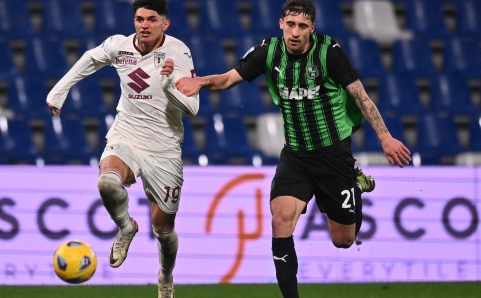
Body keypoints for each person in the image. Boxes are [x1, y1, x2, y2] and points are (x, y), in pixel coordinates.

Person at [175, 0, 411, 297]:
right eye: (290, 25)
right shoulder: (268, 51)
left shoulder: (329, 53)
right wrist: (202, 81)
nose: (295, 32)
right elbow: (226, 80)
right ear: (281, 24)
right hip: (296, 156)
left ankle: (353, 182)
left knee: (343, 240)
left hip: (333, 155)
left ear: (312, 28)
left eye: (302, 26)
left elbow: (361, 96)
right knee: (280, 219)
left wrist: (385, 136)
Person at [46, 0, 198, 296]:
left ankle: (165, 278)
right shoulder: (119, 46)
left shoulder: (177, 53)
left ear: (165, 24)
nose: (144, 25)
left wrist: (168, 84)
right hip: (126, 131)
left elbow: (192, 107)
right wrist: (59, 90)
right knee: (107, 181)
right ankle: (126, 227)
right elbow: (90, 58)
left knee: (163, 229)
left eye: (152, 20)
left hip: (164, 146)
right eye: (140, 19)